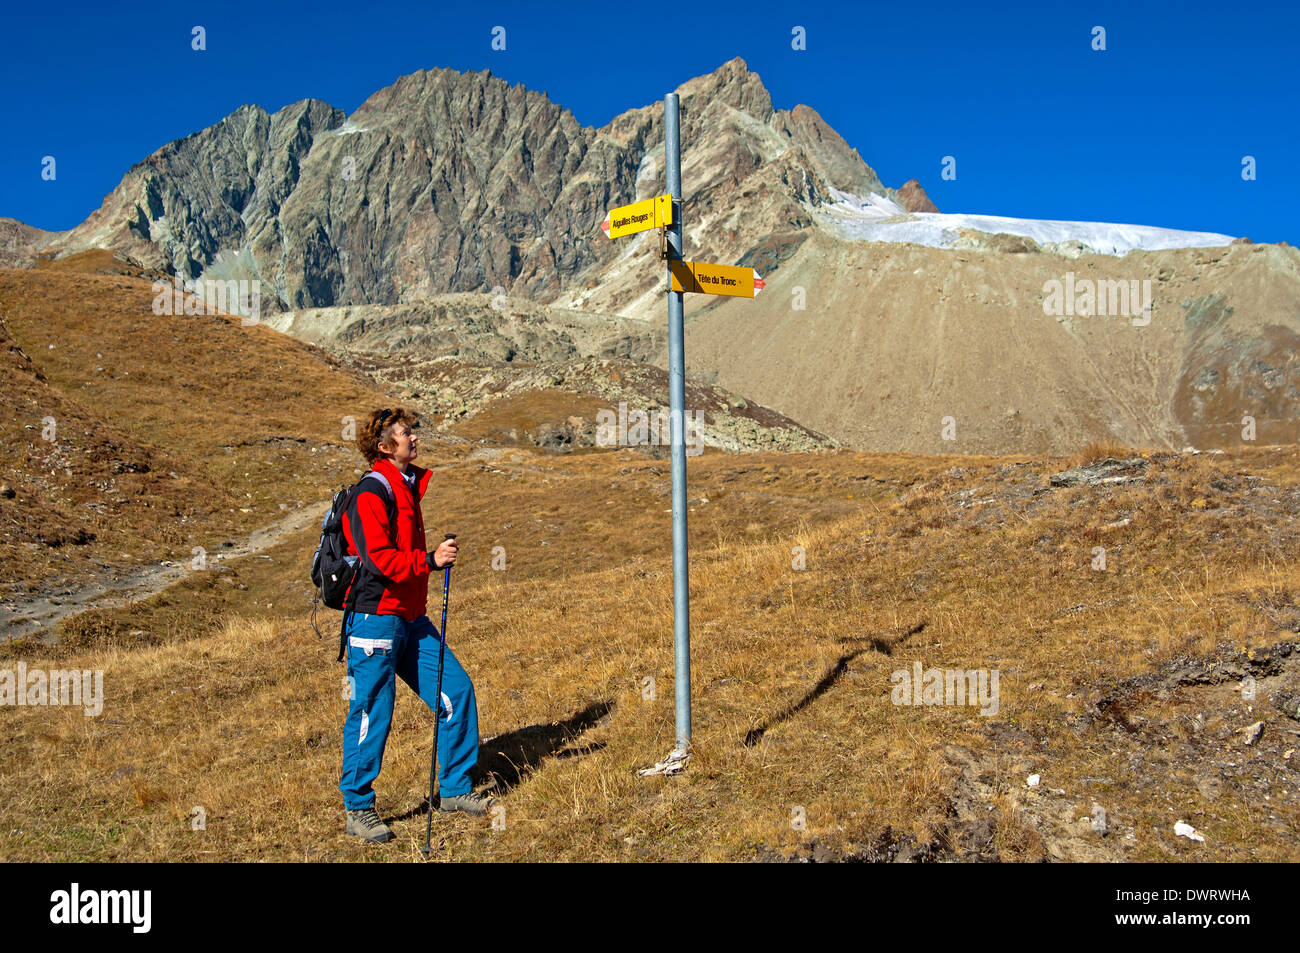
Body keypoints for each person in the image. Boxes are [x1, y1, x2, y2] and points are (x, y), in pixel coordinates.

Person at [339, 407, 492, 843]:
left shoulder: (406, 487)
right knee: (372, 710)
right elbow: (378, 559)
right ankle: (358, 807)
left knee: (456, 690)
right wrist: (429, 560)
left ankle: (456, 789)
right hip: (375, 621)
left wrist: (428, 558)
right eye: (406, 433)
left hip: (410, 617)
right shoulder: (373, 492)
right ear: (385, 446)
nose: (415, 438)